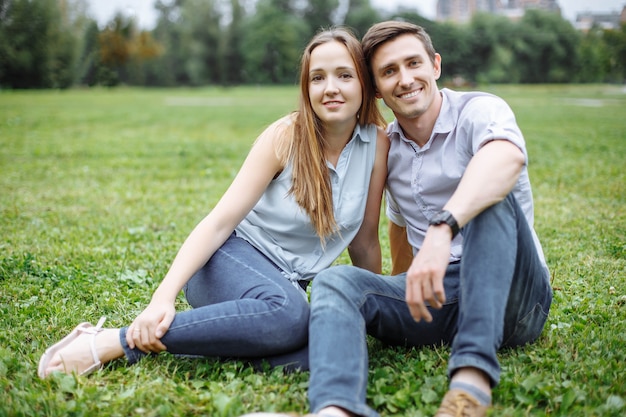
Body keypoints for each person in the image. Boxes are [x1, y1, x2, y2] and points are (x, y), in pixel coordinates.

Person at [240, 20, 553, 417]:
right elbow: (399, 229)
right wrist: (396, 291)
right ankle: (337, 409)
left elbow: (505, 159)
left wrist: (445, 228)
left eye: (413, 64)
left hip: (514, 296)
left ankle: (469, 385)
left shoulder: (479, 110)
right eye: (389, 72)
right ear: (377, 88)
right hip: (443, 301)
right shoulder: (389, 149)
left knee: (489, 198)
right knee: (335, 280)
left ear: (435, 65)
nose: (405, 79)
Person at [38, 27, 389, 379]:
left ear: (364, 83)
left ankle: (227, 338)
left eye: (344, 75)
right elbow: (219, 222)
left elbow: (365, 242)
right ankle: (113, 341)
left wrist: (371, 316)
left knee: (317, 350)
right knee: (290, 314)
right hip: (227, 261)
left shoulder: (377, 145)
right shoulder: (285, 137)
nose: (330, 88)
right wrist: (163, 297)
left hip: (283, 288)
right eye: (318, 77)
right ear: (306, 87)